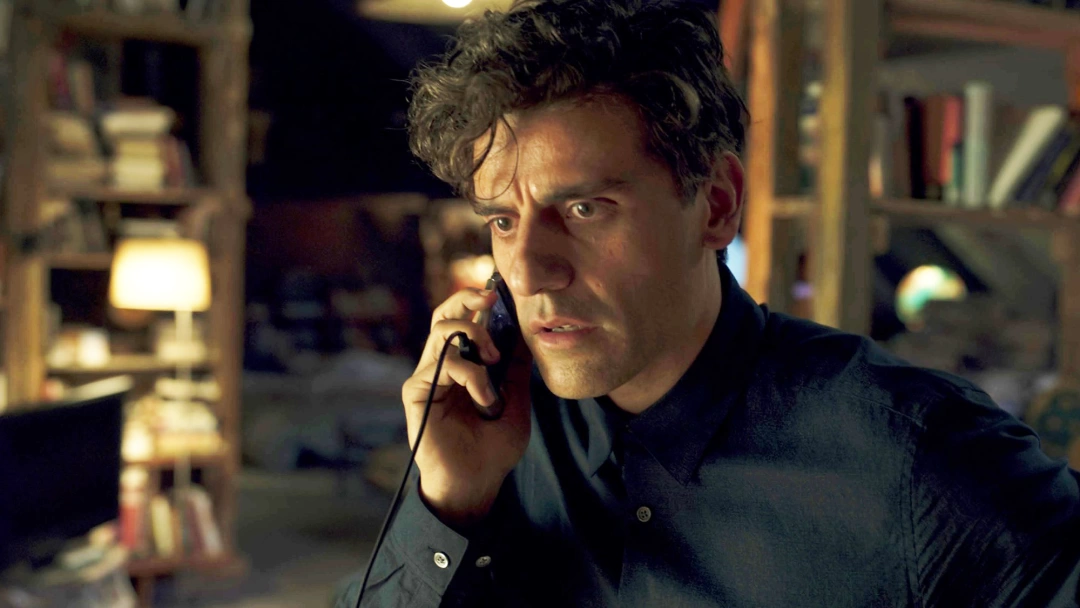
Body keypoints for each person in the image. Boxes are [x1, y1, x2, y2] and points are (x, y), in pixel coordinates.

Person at [336, 0, 1080, 606]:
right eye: (503, 221)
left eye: (586, 209)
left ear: (717, 205)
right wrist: (446, 501)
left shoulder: (920, 456)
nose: (528, 271)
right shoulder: (494, 428)